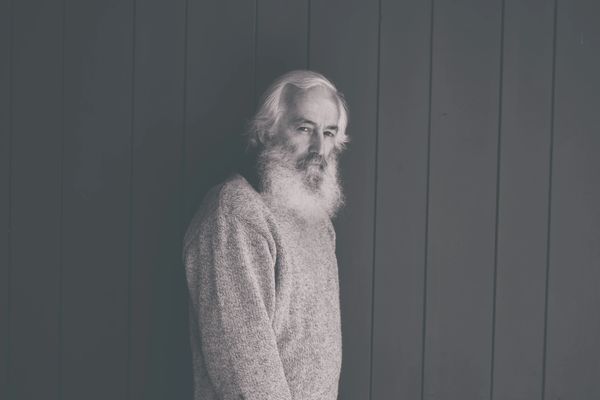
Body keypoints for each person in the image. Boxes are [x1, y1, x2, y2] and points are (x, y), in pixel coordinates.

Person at [183, 70, 349, 399]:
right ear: (266, 131)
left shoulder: (318, 223)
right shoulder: (234, 212)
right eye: (304, 128)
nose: (319, 146)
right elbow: (243, 369)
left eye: (329, 133)